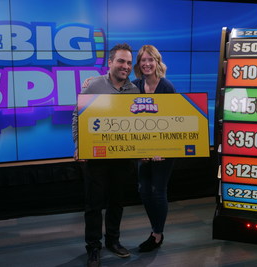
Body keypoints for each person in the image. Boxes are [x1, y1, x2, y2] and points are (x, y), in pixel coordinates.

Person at [72, 43, 140, 267]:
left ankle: (113, 240)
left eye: (129, 63)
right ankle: (93, 247)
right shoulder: (93, 85)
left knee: (117, 202)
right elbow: (77, 117)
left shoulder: (134, 91)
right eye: (121, 61)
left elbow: (138, 125)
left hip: (123, 157)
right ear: (110, 62)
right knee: (94, 204)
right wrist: (79, 144)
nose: (126, 66)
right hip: (96, 156)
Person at [132, 45, 176, 252]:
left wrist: (163, 150)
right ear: (139, 64)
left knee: (158, 191)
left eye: (151, 60)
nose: (147, 64)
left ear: (157, 62)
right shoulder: (134, 86)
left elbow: (175, 120)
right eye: (143, 60)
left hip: (163, 150)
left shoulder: (166, 87)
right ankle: (154, 230)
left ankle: (157, 234)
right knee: (144, 191)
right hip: (141, 151)